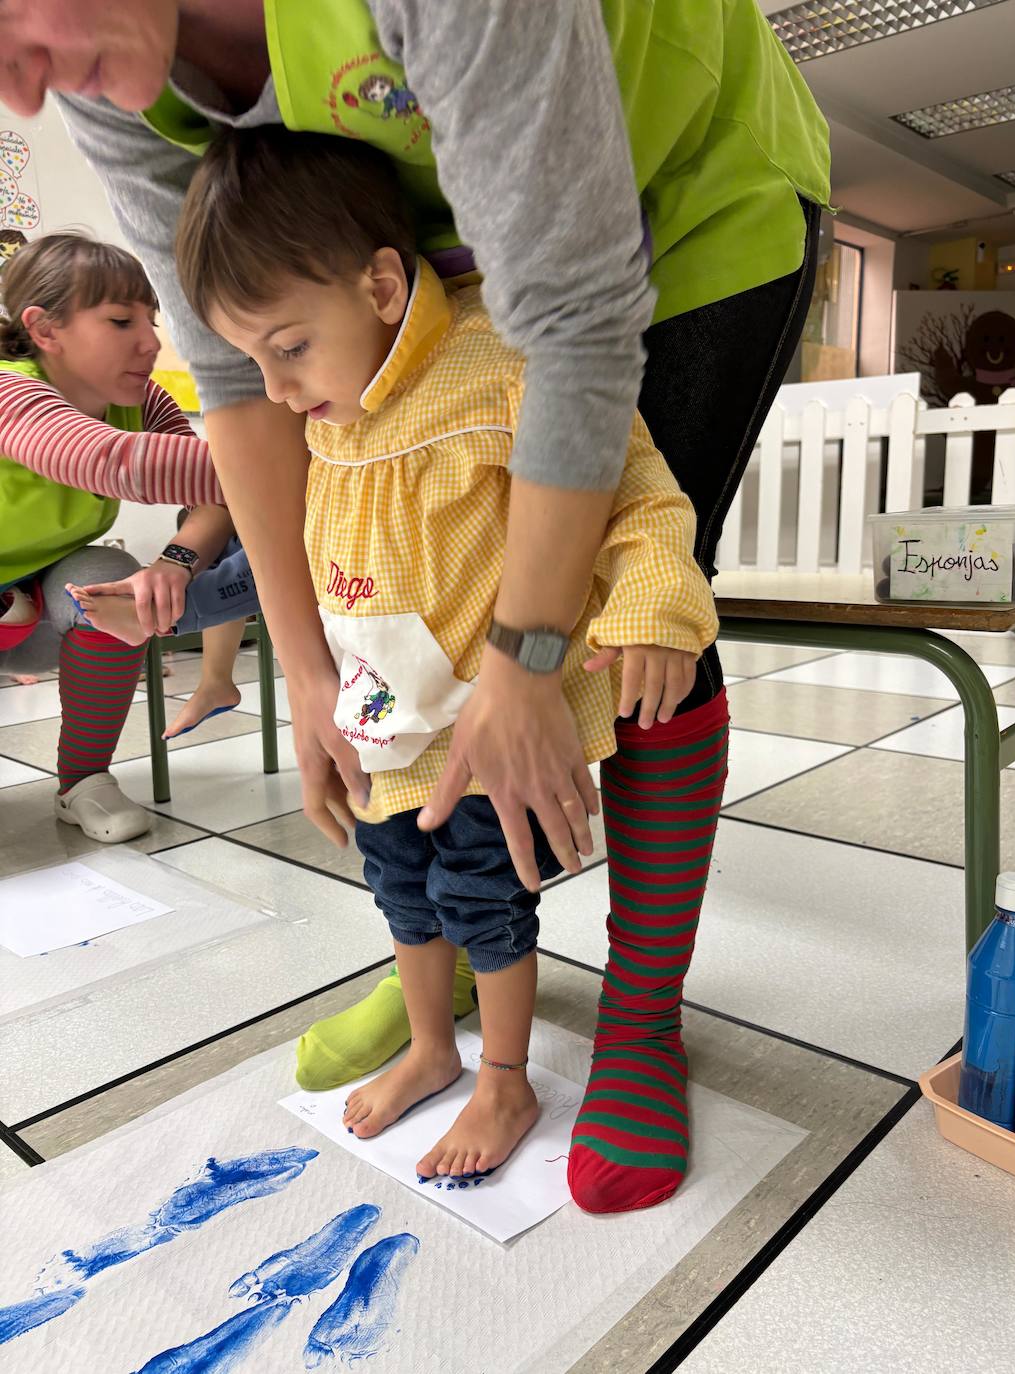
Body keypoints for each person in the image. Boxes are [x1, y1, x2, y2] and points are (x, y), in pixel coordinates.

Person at [0, 0, 830, 1212]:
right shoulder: (89, 70)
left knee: (638, 629)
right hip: (413, 283)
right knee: (430, 771)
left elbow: (580, 333)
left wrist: (529, 657)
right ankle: (444, 964)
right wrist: (307, 672)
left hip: (676, 200)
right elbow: (236, 378)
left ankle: (639, 1021)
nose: (17, 92)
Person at [178, 125, 721, 1180]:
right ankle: (433, 1046)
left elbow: (638, 496)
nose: (277, 391)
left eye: (287, 347)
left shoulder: (497, 364)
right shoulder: (328, 409)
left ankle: (505, 1077)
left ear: (383, 285)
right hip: (381, 726)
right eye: (253, 363)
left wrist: (654, 609)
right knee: (399, 894)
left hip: (483, 725)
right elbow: (292, 542)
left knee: (485, 897)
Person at [0, 234, 257, 839]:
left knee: (105, 584)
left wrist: (177, 560)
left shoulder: (141, 399)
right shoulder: (9, 387)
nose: (150, 342)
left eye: (152, 318)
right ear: (44, 329)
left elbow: (214, 494)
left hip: (30, 603)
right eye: (120, 321)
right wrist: (303, 463)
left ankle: (83, 781)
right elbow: (109, 461)